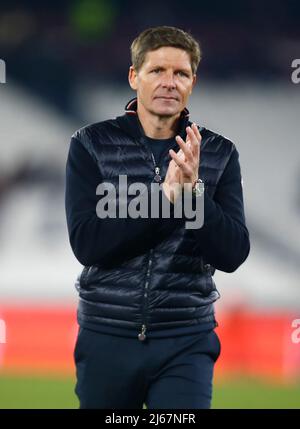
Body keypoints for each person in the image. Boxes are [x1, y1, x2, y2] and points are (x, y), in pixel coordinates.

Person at [65, 26, 250, 409]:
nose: (169, 82)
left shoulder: (218, 153)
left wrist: (194, 194)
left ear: (193, 82)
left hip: (187, 336)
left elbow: (232, 255)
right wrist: (166, 199)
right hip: (106, 334)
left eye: (181, 73)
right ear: (134, 77)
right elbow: (87, 244)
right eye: (157, 71)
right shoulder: (90, 145)